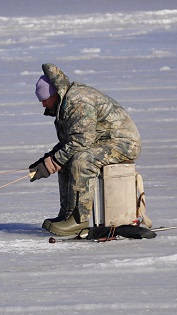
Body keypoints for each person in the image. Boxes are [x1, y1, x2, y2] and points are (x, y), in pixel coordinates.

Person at [29, 63, 141, 236]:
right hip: (102, 141)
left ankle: (78, 219)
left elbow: (81, 141)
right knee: (65, 159)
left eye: (44, 99)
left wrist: (52, 162)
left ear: (54, 94)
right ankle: (67, 214)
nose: (43, 104)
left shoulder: (77, 101)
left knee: (82, 160)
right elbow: (70, 142)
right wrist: (47, 160)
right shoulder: (65, 103)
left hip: (124, 143)